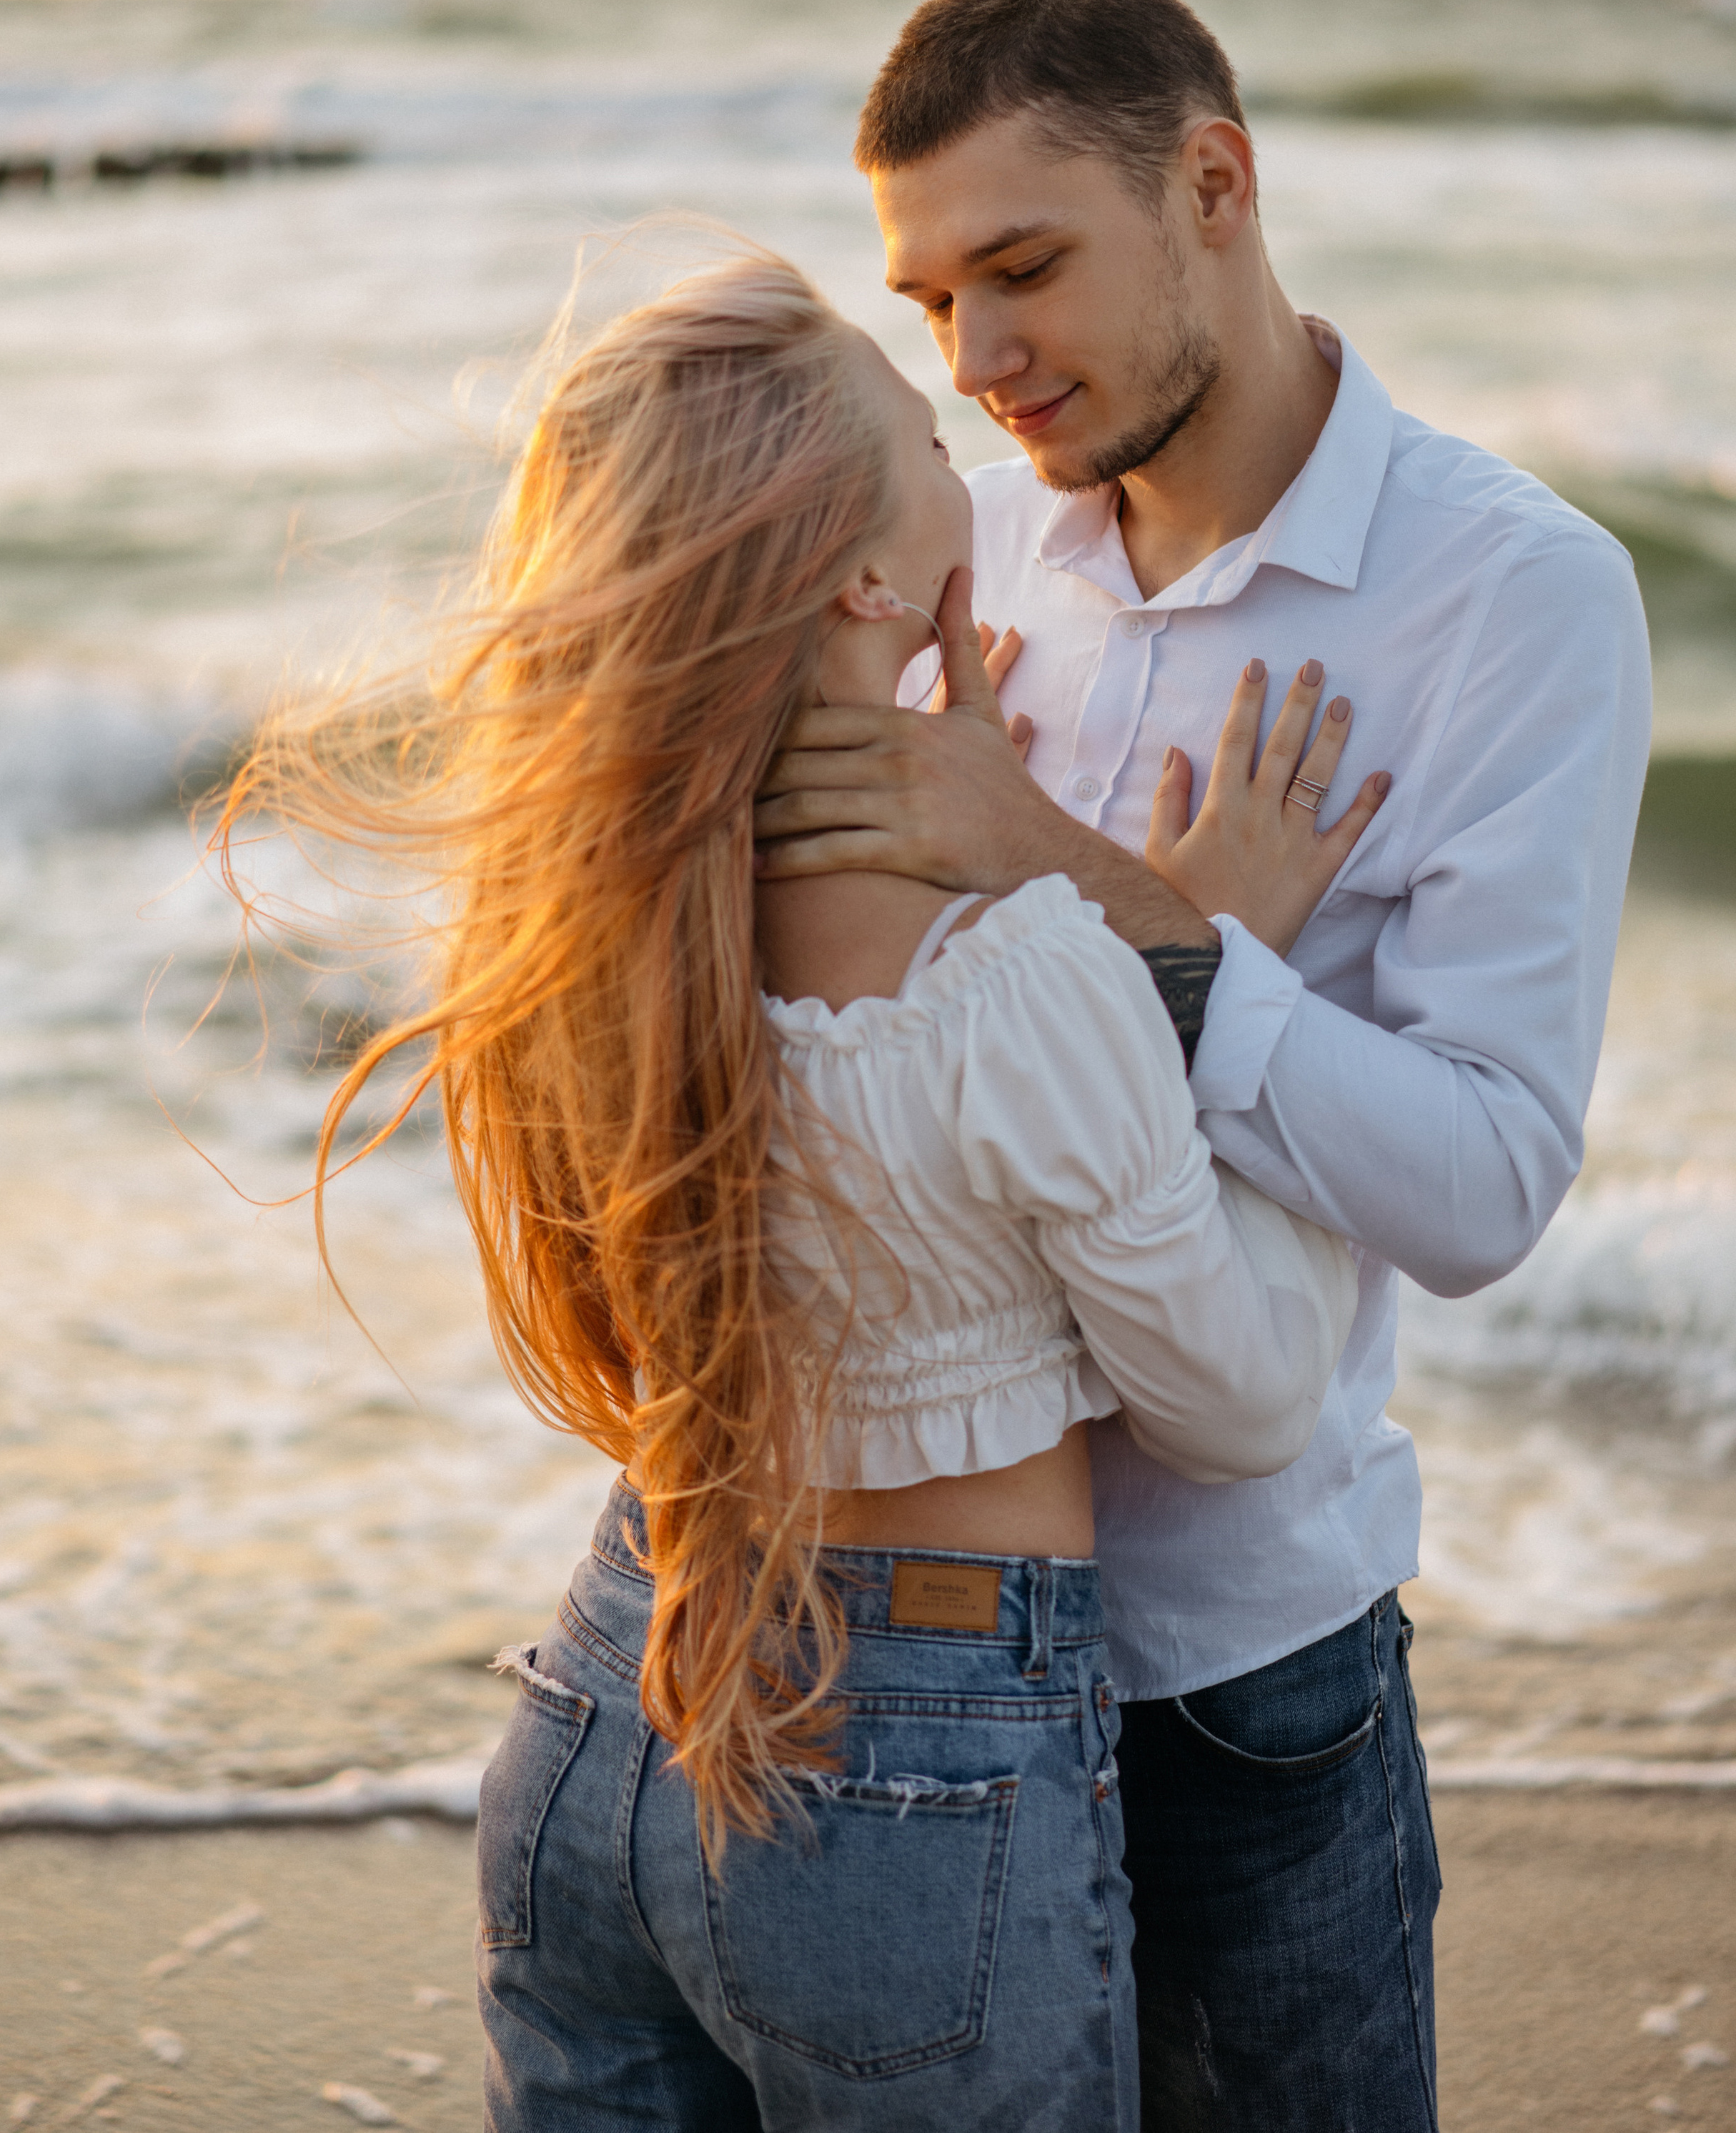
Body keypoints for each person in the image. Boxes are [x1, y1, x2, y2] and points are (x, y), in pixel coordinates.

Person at [224, 247, 1385, 2131]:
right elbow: (1243, 1399)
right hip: (904, 1773)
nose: (973, 448)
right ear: (863, 575)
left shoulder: (590, 932)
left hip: (610, 1700)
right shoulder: (1024, 981)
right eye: (926, 429)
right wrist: (1206, 947)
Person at [755, 0, 1654, 2131]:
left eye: (1023, 269)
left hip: (1240, 1678)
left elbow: (1481, 1188)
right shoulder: (969, 567)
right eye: (931, 299)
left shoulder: (1513, 597)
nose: (974, 360)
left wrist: (1097, 889)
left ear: (1217, 184)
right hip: (902, 1644)